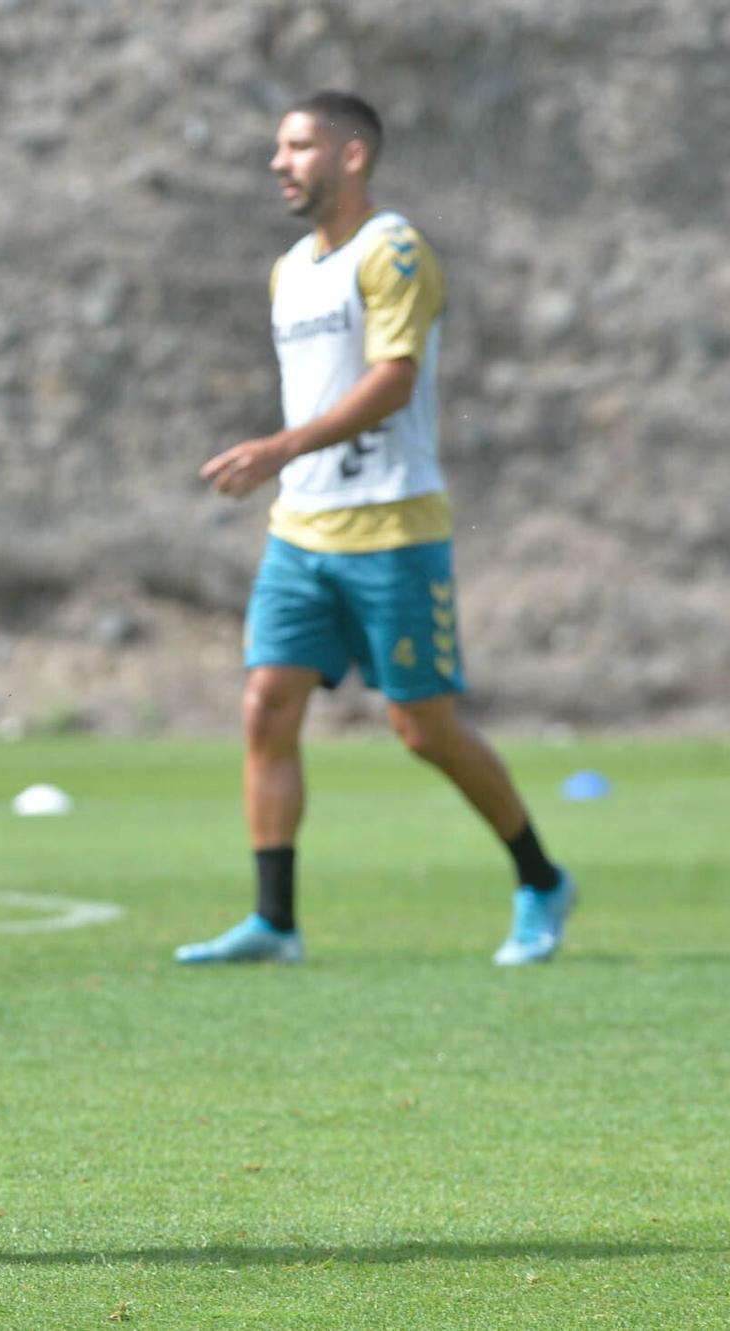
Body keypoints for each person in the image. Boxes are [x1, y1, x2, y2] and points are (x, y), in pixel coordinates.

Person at [175, 91, 574, 969]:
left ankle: (541, 878)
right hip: (300, 533)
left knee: (423, 729)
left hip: (394, 529)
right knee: (264, 706)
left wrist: (279, 446)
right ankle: (274, 922)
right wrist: (290, 464)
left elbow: (394, 380)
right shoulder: (289, 269)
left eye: (299, 145)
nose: (280, 161)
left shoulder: (393, 249)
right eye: (279, 147)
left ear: (353, 155)